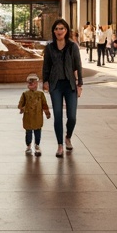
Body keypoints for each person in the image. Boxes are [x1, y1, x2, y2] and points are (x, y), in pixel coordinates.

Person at [41, 18, 83, 158]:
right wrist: (45, 81)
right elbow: (46, 66)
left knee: (72, 117)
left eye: (62, 28)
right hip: (56, 85)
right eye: (57, 29)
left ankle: (68, 137)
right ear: (54, 31)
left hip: (70, 84)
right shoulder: (50, 47)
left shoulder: (73, 46)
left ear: (66, 30)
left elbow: (78, 65)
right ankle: (60, 145)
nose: (59, 31)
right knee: (57, 116)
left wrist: (80, 84)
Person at [18, 73, 50, 156]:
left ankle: (37, 145)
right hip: (28, 117)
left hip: (37, 116)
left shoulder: (40, 94)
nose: (32, 84)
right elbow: (21, 103)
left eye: (34, 83)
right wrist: (22, 108)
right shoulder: (25, 94)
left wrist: (47, 113)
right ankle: (28, 146)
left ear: (37, 84)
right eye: (30, 83)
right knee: (28, 132)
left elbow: (44, 104)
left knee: (37, 132)